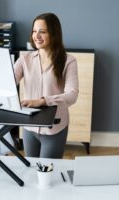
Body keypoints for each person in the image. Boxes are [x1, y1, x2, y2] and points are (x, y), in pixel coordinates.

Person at [14, 13, 79, 158]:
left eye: (42, 32)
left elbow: (72, 95)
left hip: (54, 128)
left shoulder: (69, 61)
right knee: (31, 170)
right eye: (34, 31)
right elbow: (5, 85)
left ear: (54, 34)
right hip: (29, 126)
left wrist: (44, 101)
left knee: (47, 174)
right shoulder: (25, 59)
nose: (36, 36)